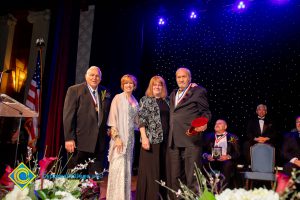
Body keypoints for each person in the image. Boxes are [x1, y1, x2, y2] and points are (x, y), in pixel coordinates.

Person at [168, 67, 211, 197]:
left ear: (189, 78)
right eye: (178, 77)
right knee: (175, 177)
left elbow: (206, 112)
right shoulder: (173, 94)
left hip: (190, 138)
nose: (181, 79)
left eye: (184, 76)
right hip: (173, 140)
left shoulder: (198, 91)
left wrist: (203, 123)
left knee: (192, 177)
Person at [63, 66, 111, 175]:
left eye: (97, 76)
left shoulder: (105, 91)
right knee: (75, 180)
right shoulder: (74, 90)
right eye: (92, 75)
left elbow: (106, 115)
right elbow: (68, 116)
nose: (94, 78)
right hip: (79, 143)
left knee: (94, 181)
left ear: (100, 78)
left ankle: (93, 193)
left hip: (99, 144)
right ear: (86, 76)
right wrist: (69, 138)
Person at [135, 76, 170, 200]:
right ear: (151, 86)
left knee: (163, 169)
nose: (157, 87)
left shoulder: (168, 101)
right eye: (154, 85)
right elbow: (141, 121)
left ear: (163, 87)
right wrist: (144, 138)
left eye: (160, 84)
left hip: (166, 142)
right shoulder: (145, 100)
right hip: (150, 141)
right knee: (150, 171)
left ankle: (161, 197)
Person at [106, 74, 139, 200]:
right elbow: (113, 120)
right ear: (122, 85)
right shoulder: (118, 98)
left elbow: (136, 122)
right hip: (119, 139)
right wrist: (117, 138)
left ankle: (124, 196)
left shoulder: (135, 101)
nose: (128, 85)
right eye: (126, 83)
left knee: (126, 169)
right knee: (118, 168)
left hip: (130, 139)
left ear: (134, 85)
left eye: (131, 83)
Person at [202, 119, 240, 188]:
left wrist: (227, 156)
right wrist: (207, 155)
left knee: (227, 164)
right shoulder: (208, 136)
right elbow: (202, 150)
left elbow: (237, 153)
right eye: (216, 123)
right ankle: (206, 188)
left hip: (225, 161)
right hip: (211, 160)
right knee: (203, 162)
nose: (217, 124)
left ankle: (223, 189)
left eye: (220, 123)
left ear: (225, 127)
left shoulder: (232, 137)